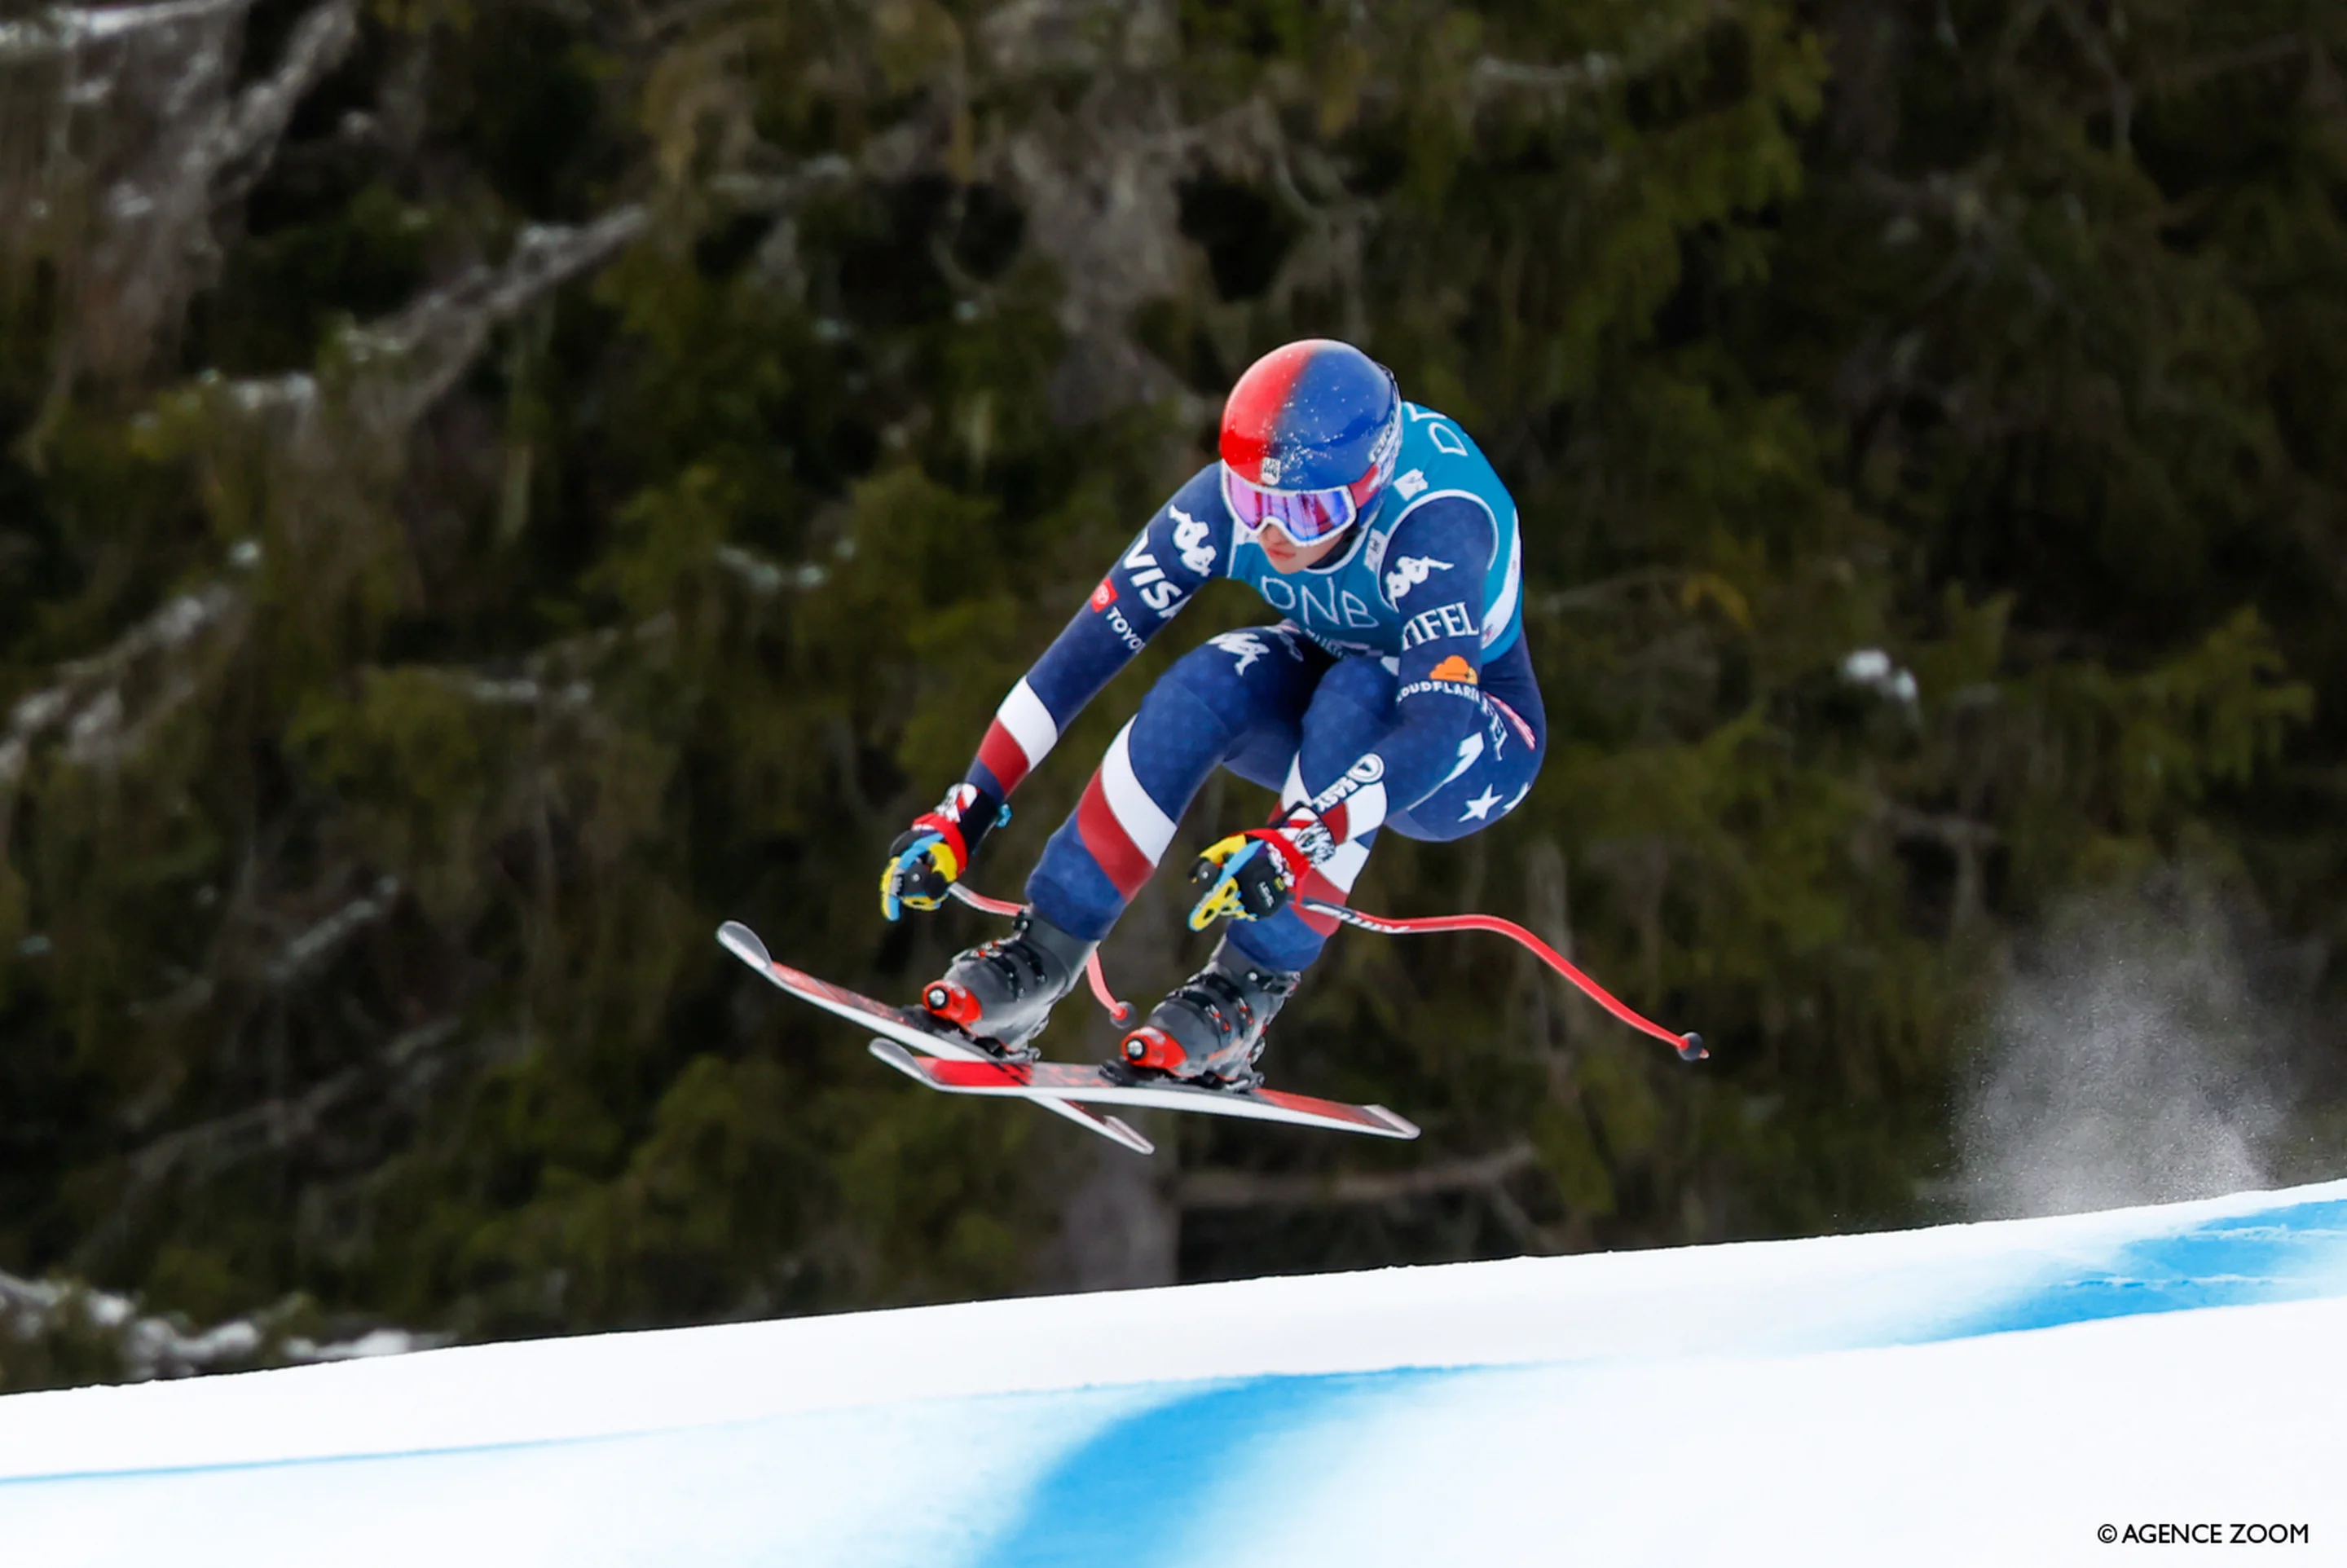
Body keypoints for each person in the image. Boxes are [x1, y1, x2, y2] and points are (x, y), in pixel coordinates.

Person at [878, 339, 1543, 1089]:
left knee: (1360, 693)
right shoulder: (1221, 507)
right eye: (1254, 500)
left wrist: (1299, 842)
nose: (1271, 532)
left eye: (1305, 512)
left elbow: (1435, 727)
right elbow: (1077, 660)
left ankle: (1246, 991)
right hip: (1336, 691)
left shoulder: (1436, 527)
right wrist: (969, 805)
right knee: (1209, 679)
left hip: (1470, 740)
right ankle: (1044, 951)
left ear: (1369, 489)